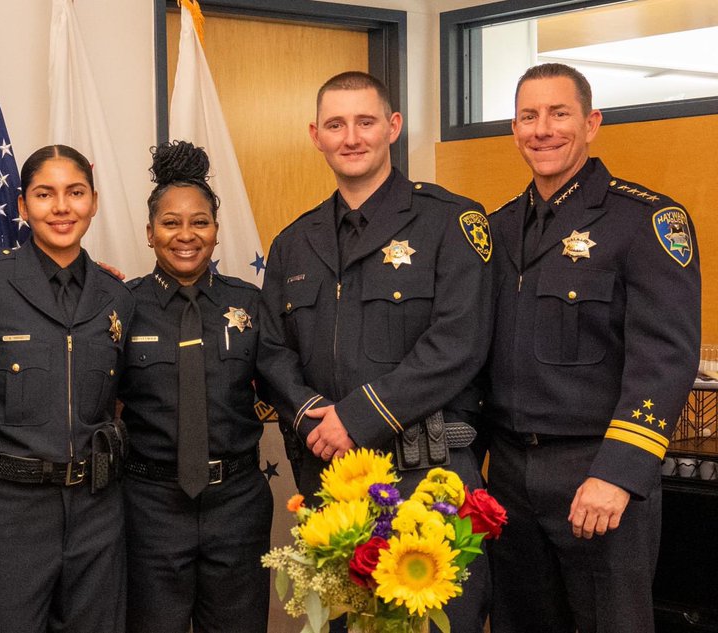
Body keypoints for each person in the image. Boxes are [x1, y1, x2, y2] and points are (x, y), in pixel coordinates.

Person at [257, 71, 494, 631]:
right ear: (316, 135)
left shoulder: (450, 222)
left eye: (365, 122)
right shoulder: (294, 241)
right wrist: (317, 416)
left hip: (428, 480)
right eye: (336, 125)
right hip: (335, 486)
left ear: (393, 127)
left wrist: (356, 418)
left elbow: (458, 344)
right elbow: (270, 351)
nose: (351, 137)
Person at [483, 63, 700, 633]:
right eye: (529, 116)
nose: (543, 129)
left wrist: (619, 473)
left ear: (592, 123)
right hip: (507, 475)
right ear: (514, 128)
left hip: (596, 473)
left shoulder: (645, 220)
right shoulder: (497, 228)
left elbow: (665, 360)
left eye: (559, 113)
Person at [0, 144, 136, 633]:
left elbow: (126, 397)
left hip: (98, 511)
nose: (61, 207)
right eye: (44, 194)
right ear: (21, 206)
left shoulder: (116, 295)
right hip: (9, 512)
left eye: (75, 193)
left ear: (93, 202)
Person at [119, 140, 271, 633]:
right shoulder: (121, 306)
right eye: (171, 222)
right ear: (149, 233)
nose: (186, 235)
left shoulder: (249, 305)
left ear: (216, 230)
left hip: (237, 504)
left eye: (199, 222)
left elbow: (286, 383)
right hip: (150, 506)